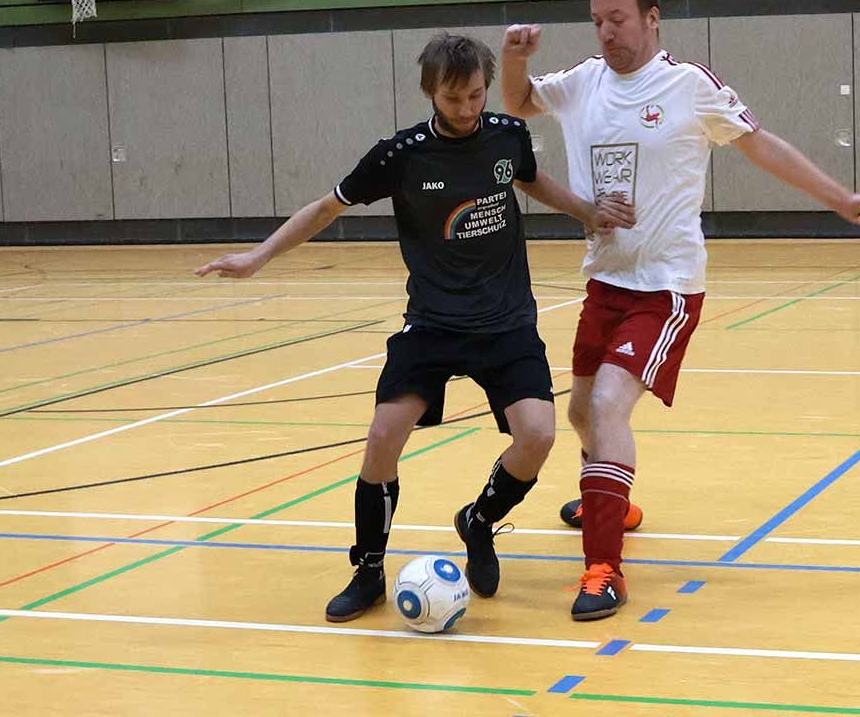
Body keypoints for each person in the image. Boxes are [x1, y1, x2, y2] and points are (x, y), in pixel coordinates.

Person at [196, 33, 635, 623]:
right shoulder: (399, 155)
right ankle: (368, 571)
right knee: (383, 437)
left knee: (537, 436)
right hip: (431, 324)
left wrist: (588, 211)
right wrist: (258, 256)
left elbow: (531, 179)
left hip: (506, 322)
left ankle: (478, 521)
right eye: (454, 98)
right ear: (430, 91)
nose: (468, 108)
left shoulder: (507, 135)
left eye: (476, 95)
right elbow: (326, 208)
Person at [501, 0, 860, 621]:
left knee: (609, 407)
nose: (607, 32)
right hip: (605, 280)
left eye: (618, 20)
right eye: (597, 22)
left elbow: (763, 146)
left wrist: (840, 199)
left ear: (651, 18)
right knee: (582, 413)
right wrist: (514, 58)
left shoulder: (688, 86)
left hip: (667, 287)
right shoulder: (582, 82)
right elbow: (518, 102)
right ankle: (612, 499)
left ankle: (603, 569)